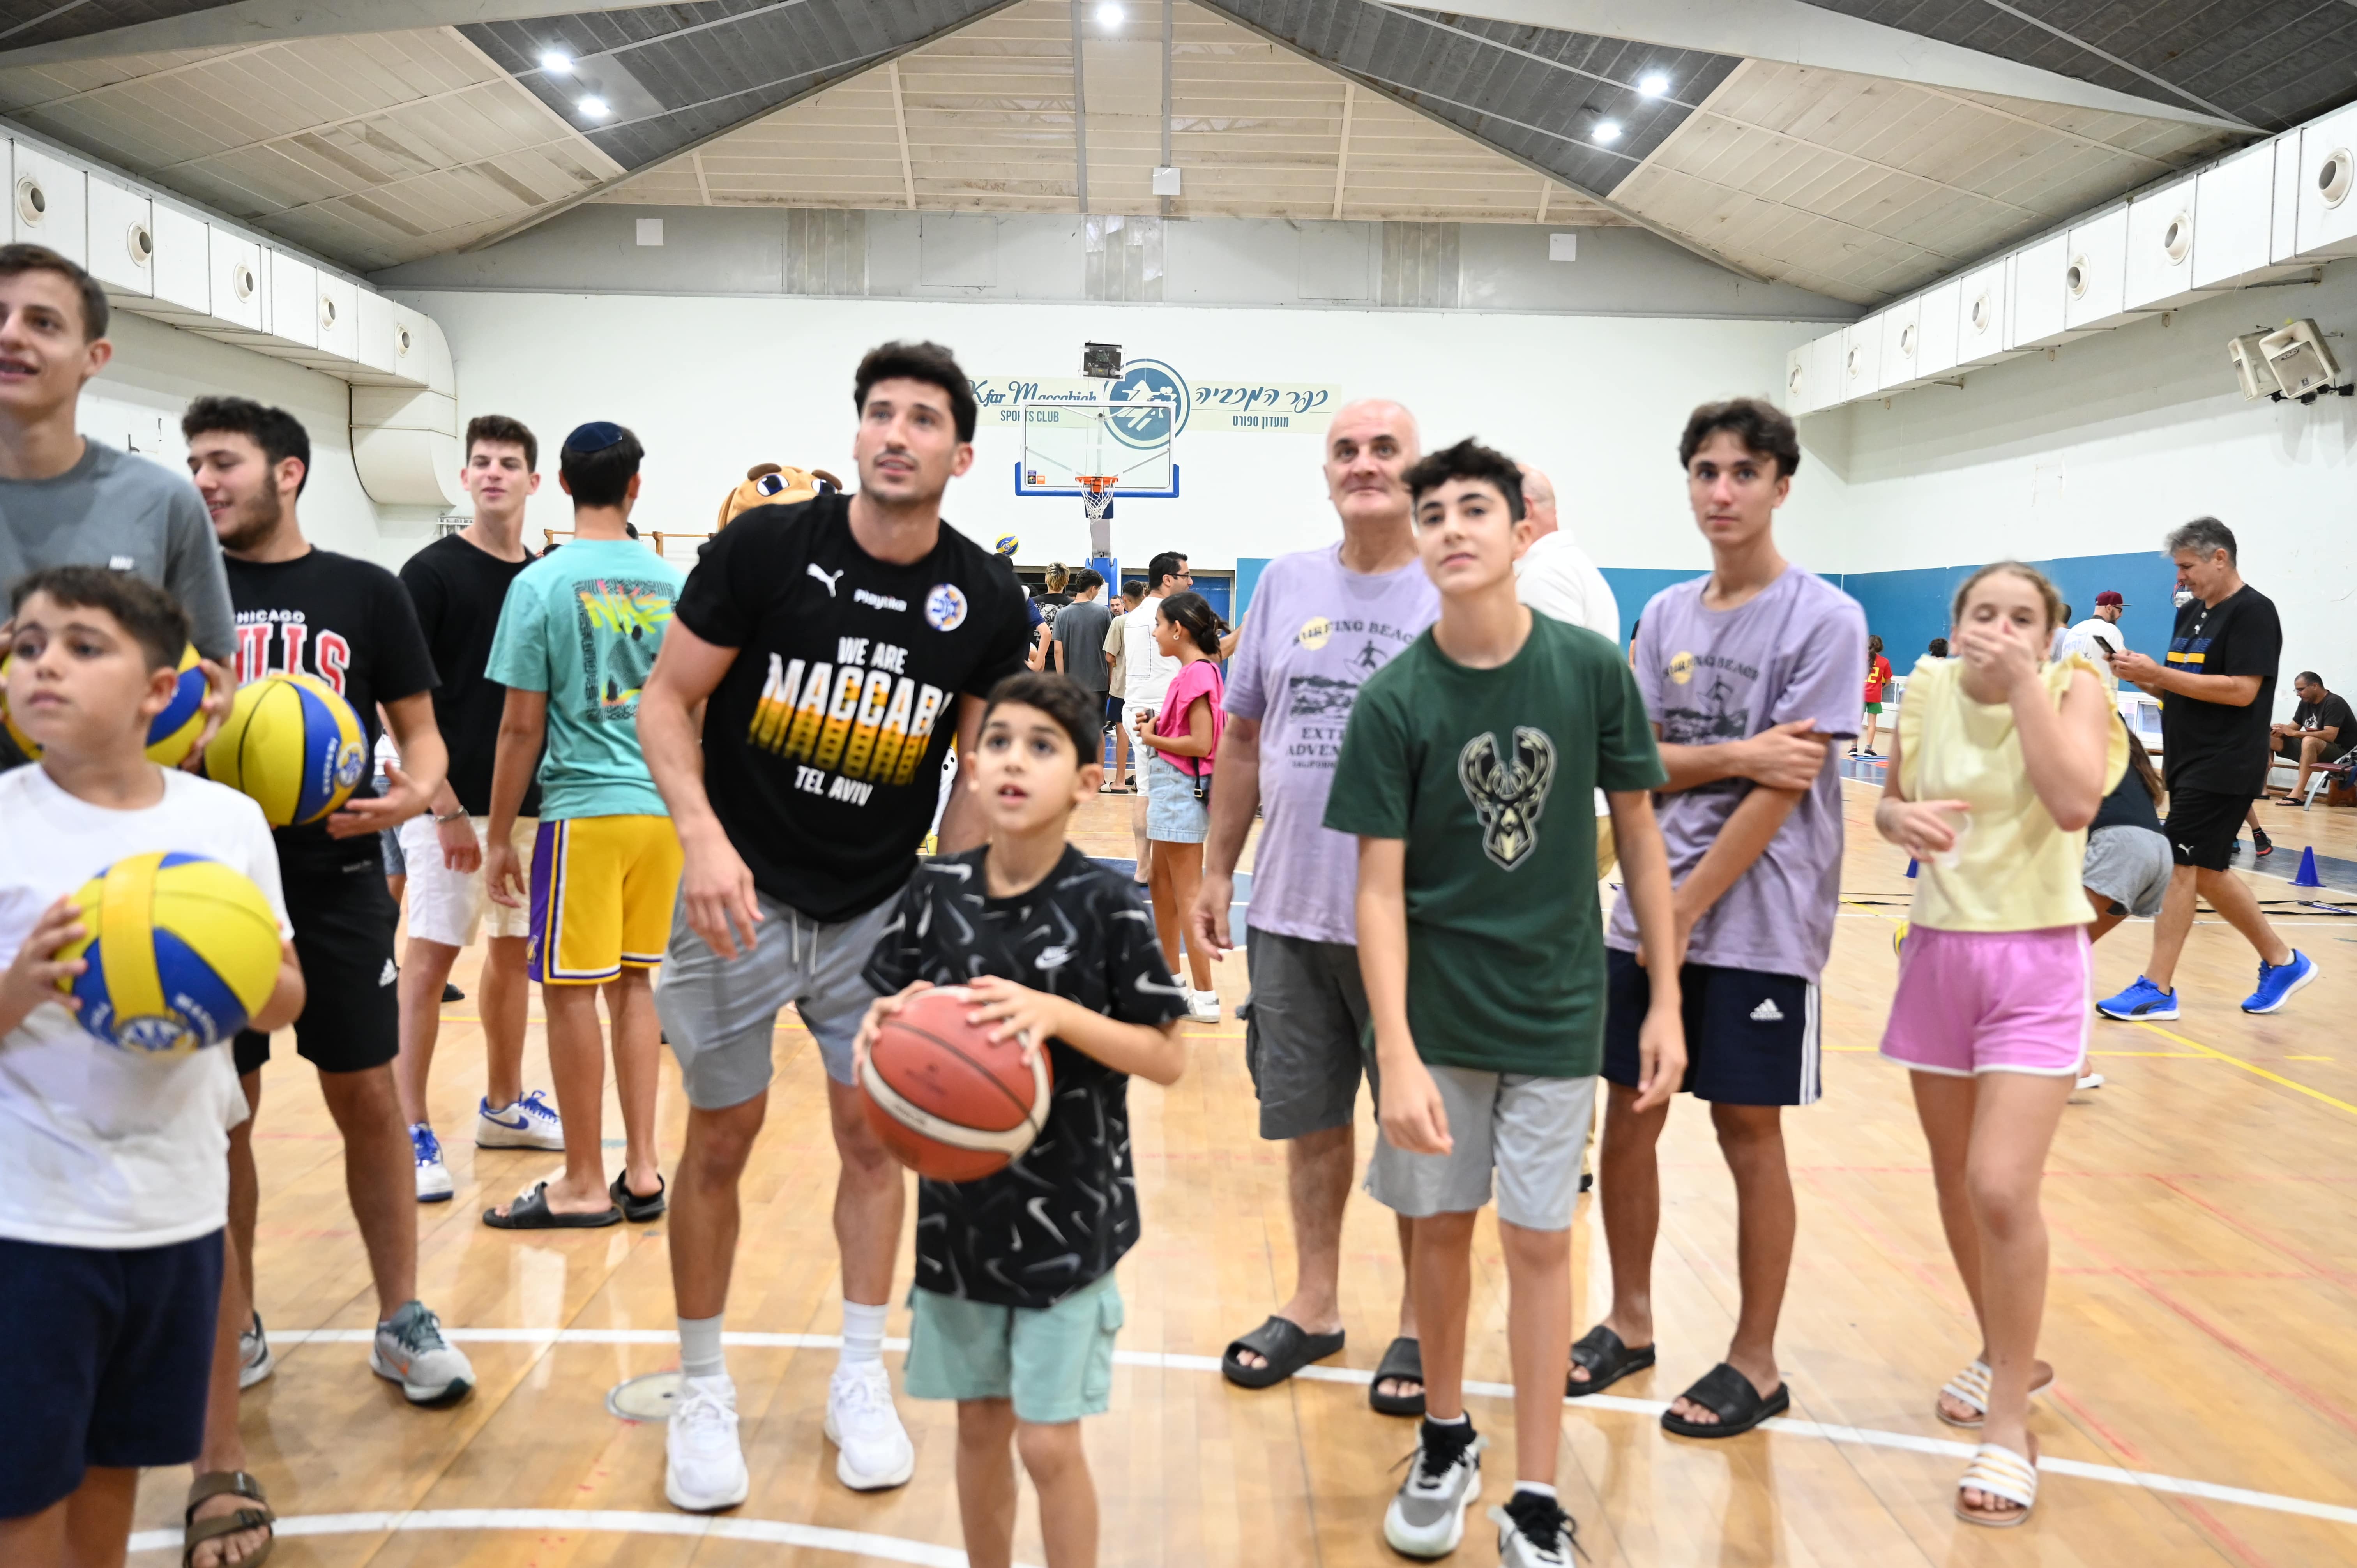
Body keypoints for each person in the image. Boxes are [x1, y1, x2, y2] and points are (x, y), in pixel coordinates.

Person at [637, 341, 1031, 1510]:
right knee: (720, 1139)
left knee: (874, 1141)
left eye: (923, 419)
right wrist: (703, 837)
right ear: (857, 433)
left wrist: (952, 895)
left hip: (879, 908)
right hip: (737, 895)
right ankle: (701, 1386)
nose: (896, 434)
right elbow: (669, 698)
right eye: (880, 413)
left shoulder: (984, 596)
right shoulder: (766, 548)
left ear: (962, 455)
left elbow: (980, 763)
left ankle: (861, 1374)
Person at [1327, 438, 1680, 1567]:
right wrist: (1395, 1048)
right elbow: (1377, 891)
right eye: (1433, 515)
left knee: (1539, 1242)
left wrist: (1664, 998)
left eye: (1475, 509)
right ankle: (1445, 1438)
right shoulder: (1395, 698)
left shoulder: (1588, 669)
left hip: (1558, 1012)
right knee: (1440, 1233)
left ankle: (1535, 1495)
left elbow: (1640, 834)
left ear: (1523, 529)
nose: (1453, 530)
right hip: (1437, 1019)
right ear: (1418, 539)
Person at [187, 397, 476, 1461]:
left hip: (341, 872)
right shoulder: (178, 593)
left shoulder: (365, 590)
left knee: (368, 1098)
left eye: (225, 462)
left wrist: (417, 797)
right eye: (195, 464)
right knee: (228, 1111)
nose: (205, 481)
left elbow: (422, 735)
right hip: (210, 881)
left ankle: (402, 1316)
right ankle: (239, 1320)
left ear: (289, 471)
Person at [1570, 399, 1863, 1442]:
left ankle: (1756, 1358)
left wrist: (1685, 910)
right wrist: (1737, 752)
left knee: (1748, 1130)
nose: (1723, 491)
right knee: (1629, 1114)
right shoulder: (1664, 617)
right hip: (1650, 912)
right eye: (1706, 471)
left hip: (1760, 922)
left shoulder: (1825, 620)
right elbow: (1635, 762)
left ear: (1783, 484)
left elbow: (1788, 785)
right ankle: (1630, 1319)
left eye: (1745, 472)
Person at [0, 567, 302, 1568]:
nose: (44, 663)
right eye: (28, 644)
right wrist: (24, 984)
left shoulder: (225, 823)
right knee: (22, 1489)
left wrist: (227, 972)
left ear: (160, 691)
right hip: (31, 1218)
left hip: (174, 1210)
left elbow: (287, 996)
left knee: (112, 1469)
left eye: (83, 646)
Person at [856, 672, 1187, 1568]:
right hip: (960, 1218)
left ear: (1086, 781)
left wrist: (1058, 1015)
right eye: (997, 741)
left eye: (1041, 746)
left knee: (1046, 1441)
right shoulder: (934, 890)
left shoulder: (1106, 904)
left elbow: (1168, 1055)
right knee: (978, 1427)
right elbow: (889, 1012)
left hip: (1070, 1219)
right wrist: (883, 1031)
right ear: (970, 767)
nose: (1012, 760)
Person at [1190, 398, 1436, 1413]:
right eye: (1346, 450)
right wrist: (1219, 869)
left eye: (1385, 449)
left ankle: (1422, 1322)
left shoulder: (1457, 585)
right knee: (1311, 1120)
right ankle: (1317, 1301)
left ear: (1419, 470)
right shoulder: (1285, 583)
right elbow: (1244, 737)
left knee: (1422, 1132)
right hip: (1290, 910)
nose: (1364, 464)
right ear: (1326, 471)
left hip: (1419, 927)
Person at [1874, 560, 2123, 1528]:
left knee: (2001, 1185)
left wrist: (2026, 684)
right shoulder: (1927, 687)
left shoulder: (2075, 686)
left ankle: (2010, 1427)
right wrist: (1898, 817)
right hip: (1939, 955)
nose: (2002, 627)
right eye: (1985, 612)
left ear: (2050, 632)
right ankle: (2000, 1349)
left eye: (2023, 617)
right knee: (1954, 1179)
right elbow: (1892, 799)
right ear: (1958, 621)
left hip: (2037, 961)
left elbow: (2073, 803)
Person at [479, 422, 684, 1228]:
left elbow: (519, 727)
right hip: (660, 813)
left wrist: (499, 833)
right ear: (636, 486)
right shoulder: (675, 584)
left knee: (570, 992)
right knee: (635, 985)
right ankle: (644, 1170)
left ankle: (584, 1181)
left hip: (584, 814)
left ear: (560, 484)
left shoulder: (540, 583)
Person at [393, 414, 563, 1202]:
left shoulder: (544, 578)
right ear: (464, 478)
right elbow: (398, 699)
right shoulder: (428, 574)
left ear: (534, 481)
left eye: (509, 463)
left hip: (526, 805)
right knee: (430, 958)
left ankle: (503, 1104)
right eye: (482, 462)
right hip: (447, 806)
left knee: (511, 953)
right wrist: (445, 806)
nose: (494, 472)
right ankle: (409, 1128)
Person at [0, 244, 233, 766]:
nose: (10, 334)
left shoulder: (164, 501)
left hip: (118, 801)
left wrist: (213, 707)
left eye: (42, 322)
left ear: (94, 357)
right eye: (0, 317)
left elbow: (215, 672)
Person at [2104, 517, 2317, 1018]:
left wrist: (2160, 673)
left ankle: (2157, 987)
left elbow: (2242, 691)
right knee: (2207, 871)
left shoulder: (2254, 612)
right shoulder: (2190, 614)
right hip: (2187, 758)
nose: (2180, 577)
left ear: (2220, 558)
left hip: (2226, 761)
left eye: (2187, 566)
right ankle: (2282, 961)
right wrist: (2141, 675)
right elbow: (2181, 686)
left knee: (2177, 861)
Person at [1130, 588, 1226, 1023]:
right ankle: (1171, 985)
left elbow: (1201, 743)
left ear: (1178, 629)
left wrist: (1152, 737)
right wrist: (1158, 722)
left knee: (1186, 893)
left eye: (1158, 625)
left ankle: (1205, 996)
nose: (1154, 633)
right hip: (1175, 790)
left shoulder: (1195, 674)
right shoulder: (1197, 672)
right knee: (1162, 886)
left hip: (1180, 790)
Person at [2069, 724, 2171, 1091]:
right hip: (2157, 850)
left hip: (2119, 848)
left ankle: (2071, 1062)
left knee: (2048, 956)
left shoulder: (2061, 730)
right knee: (2068, 952)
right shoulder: (2116, 747)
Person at [1118, 552, 1191, 870]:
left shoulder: (1132, 617)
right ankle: (1163, 868)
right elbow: (1208, 657)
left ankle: (1143, 866)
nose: (1191, 582)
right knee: (1170, 795)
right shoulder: (1171, 617)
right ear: (1168, 579)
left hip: (1135, 708)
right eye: (1186, 575)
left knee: (1147, 791)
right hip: (1160, 712)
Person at [1050, 569, 1115, 789]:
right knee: (1098, 731)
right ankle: (1099, 778)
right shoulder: (1104, 613)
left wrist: (1062, 681)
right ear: (1094, 589)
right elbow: (1110, 652)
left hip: (1072, 683)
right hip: (1098, 682)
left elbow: (1058, 651)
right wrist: (1110, 678)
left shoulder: (1063, 614)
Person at [2265, 670, 2355, 803]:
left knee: (2309, 741)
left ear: (2315, 686)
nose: (2298, 694)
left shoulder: (2334, 703)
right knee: (2268, 736)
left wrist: (2294, 733)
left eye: (2301, 690)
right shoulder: (2305, 703)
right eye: (2297, 691)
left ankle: (2299, 793)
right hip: (2312, 748)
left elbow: (2330, 735)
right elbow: (2293, 728)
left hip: (2341, 754)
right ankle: (2262, 789)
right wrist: (2278, 731)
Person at [1102, 581, 1143, 800]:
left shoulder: (1120, 622)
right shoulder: (1153, 620)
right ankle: (1140, 778)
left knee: (1122, 729)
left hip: (1123, 686)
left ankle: (1119, 780)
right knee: (1144, 732)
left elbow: (1110, 656)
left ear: (1125, 600)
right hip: (1145, 686)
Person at [1857, 635, 1891, 758]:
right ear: (1881, 647)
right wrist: (1880, 686)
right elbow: (1888, 681)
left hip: (1860, 695)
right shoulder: (1884, 662)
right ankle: (1868, 749)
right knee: (1872, 723)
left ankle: (1853, 748)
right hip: (1875, 696)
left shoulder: (1860, 658)